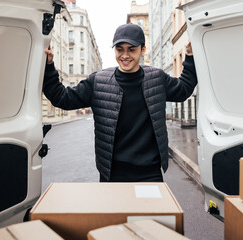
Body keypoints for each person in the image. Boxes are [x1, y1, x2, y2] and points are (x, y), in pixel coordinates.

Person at [43, 23, 197, 182]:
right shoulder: (98, 82)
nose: (125, 55)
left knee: (151, 208)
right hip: (112, 173)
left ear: (142, 50)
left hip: (150, 173)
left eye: (131, 49)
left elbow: (183, 89)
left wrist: (190, 56)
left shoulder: (157, 78)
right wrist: (48, 67)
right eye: (119, 49)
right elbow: (62, 98)